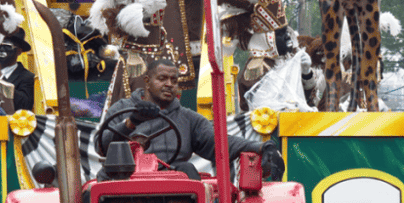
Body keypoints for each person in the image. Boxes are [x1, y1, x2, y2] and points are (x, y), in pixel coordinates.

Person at [98, 57, 283, 177]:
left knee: (188, 170)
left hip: (174, 188)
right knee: (102, 180)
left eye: (174, 80)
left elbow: (218, 142)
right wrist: (130, 123)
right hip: (127, 180)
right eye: (162, 79)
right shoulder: (122, 108)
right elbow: (102, 145)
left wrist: (260, 146)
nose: (169, 84)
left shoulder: (188, 118)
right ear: (147, 81)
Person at [0, 29, 36, 111]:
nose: (2, 49)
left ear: (19, 51)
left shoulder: (27, 77)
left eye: (7, 46)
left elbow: (25, 105)